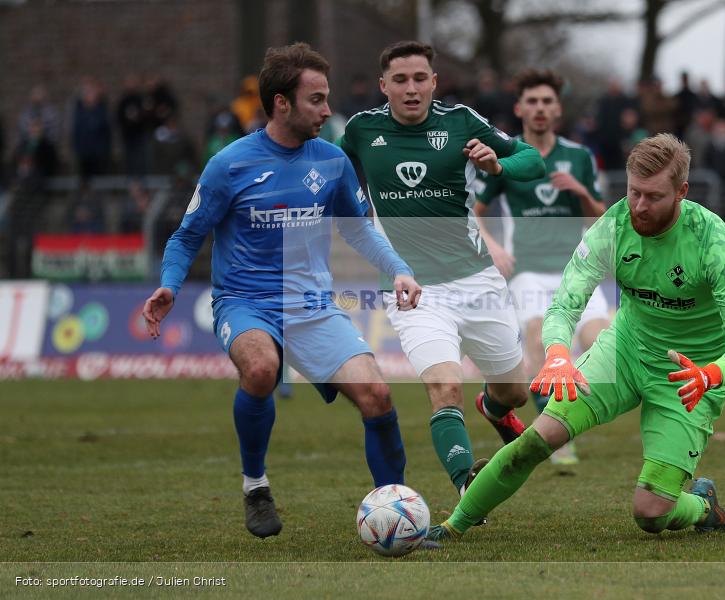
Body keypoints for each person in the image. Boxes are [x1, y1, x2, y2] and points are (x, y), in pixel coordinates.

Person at [142, 42, 422, 539]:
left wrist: (399, 269)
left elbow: (359, 230)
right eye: (316, 99)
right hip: (244, 302)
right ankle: (256, 486)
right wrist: (169, 286)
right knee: (261, 369)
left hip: (312, 306)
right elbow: (186, 236)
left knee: (378, 394)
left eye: (326, 97)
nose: (327, 110)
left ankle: (398, 512)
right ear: (281, 103)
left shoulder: (332, 161)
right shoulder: (230, 164)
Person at [428, 133, 725, 542]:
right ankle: (452, 526)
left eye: (654, 197)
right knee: (539, 438)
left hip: (689, 377)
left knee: (651, 514)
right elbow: (565, 305)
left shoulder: (711, 239)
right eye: (634, 192)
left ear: (682, 192)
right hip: (624, 352)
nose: (639, 206)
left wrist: (712, 374)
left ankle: (703, 507)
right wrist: (557, 354)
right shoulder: (613, 226)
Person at [338, 41, 545, 497]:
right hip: (411, 286)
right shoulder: (361, 129)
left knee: (514, 392)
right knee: (444, 386)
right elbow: (322, 165)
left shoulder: (461, 121)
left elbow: (532, 160)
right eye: (400, 80)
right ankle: (468, 484)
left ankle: (494, 409)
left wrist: (498, 163)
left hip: (477, 279)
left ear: (433, 82)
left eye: (419, 79)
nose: (411, 89)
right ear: (384, 86)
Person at [474, 69, 609, 465]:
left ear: (558, 109)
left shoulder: (579, 157)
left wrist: (582, 192)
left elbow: (600, 221)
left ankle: (540, 415)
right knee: (538, 341)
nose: (540, 108)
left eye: (547, 101)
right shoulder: (508, 156)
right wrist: (494, 247)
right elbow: (474, 212)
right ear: (519, 109)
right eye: (532, 101)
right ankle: (558, 439)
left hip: (578, 271)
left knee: (602, 346)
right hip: (528, 271)